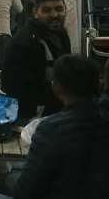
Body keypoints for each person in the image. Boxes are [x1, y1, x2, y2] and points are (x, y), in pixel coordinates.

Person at [9, 54, 109, 199]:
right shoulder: (104, 118)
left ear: (55, 86)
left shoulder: (50, 130)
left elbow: (25, 192)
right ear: (98, 84)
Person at [2, 0, 70, 120]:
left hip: (55, 104)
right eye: (46, 10)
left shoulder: (61, 34)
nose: (54, 15)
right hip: (32, 113)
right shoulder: (26, 42)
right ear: (35, 13)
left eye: (59, 9)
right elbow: (26, 91)